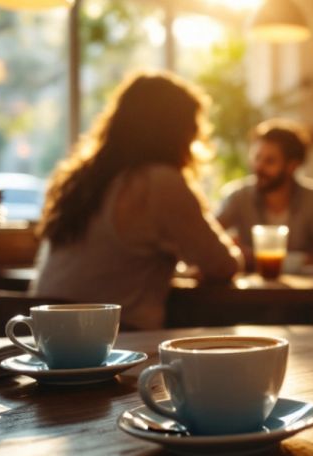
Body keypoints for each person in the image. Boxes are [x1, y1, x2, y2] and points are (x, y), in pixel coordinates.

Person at [32, 72, 241, 330]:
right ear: (177, 130)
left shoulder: (83, 177)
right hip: (110, 341)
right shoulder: (159, 182)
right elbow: (223, 265)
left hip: (46, 336)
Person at [216, 120, 313, 266]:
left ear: (292, 166)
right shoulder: (237, 196)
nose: (258, 167)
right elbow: (207, 237)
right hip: (250, 288)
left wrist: (254, 258)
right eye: (257, 158)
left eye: (270, 161)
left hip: (302, 288)